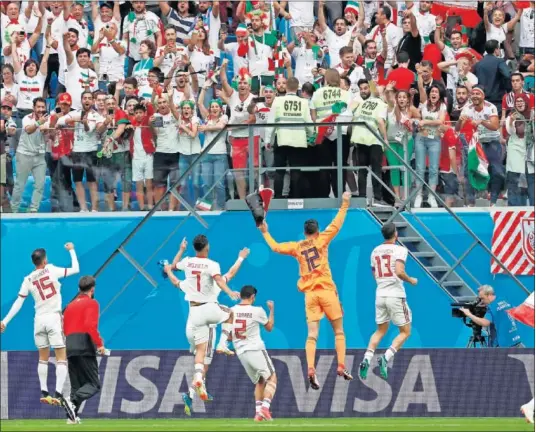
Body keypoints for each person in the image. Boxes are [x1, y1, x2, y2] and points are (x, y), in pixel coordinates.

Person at [258, 192, 353, 389]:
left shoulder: (297, 247)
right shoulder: (322, 241)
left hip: (310, 295)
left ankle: (311, 368)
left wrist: (265, 232)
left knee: (312, 335)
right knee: (339, 331)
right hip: (326, 290)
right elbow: (337, 224)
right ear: (317, 231)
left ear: (304, 233)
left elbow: (275, 247)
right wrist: (345, 203)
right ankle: (341, 366)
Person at [165, 240, 249, 416]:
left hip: (192, 319)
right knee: (231, 315)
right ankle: (222, 344)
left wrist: (178, 253)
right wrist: (240, 259)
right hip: (208, 318)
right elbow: (226, 276)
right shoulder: (213, 272)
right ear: (207, 248)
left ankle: (193, 390)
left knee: (200, 356)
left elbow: (174, 274)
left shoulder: (188, 269)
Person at [0, 243, 79, 419]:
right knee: (61, 357)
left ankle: (44, 392)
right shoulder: (51, 270)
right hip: (53, 318)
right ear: (45, 260)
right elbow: (75, 268)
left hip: (39, 321)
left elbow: (18, 303)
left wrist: (4, 321)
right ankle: (58, 393)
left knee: (42, 358)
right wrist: (72, 250)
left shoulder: (28, 279)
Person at [360, 222, 417, 381]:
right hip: (395, 295)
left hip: (380, 294)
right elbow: (399, 271)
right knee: (405, 332)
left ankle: (366, 358)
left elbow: (374, 273)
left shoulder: (374, 251)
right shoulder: (400, 250)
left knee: (380, 331)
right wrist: (410, 280)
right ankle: (385, 358)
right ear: (396, 234)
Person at [63, 275, 106, 424]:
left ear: (79, 289)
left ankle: (71, 417)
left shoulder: (70, 305)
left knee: (77, 385)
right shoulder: (92, 303)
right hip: (84, 345)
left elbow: (64, 328)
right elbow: (90, 326)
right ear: (92, 289)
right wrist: (99, 344)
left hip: (69, 345)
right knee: (94, 385)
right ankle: (71, 401)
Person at [231, 285, 276, 422]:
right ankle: (265, 408)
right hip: (255, 349)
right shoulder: (257, 310)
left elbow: (228, 334)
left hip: (241, 352)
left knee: (259, 381)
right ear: (252, 297)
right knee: (272, 378)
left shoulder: (231, 311)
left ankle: (258, 414)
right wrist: (271, 310)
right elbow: (269, 328)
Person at [265, 77, 314, 199]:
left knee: (279, 171)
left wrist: (267, 140)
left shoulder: (277, 101)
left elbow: (271, 122)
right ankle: (296, 198)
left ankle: (278, 198)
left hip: (282, 139)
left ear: (286, 87)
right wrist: (311, 136)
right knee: (296, 171)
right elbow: (309, 123)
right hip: (299, 140)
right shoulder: (303, 102)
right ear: (298, 88)